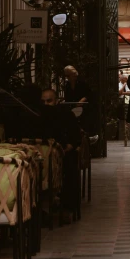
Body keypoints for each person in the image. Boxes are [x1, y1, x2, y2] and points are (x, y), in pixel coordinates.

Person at [40, 88, 82, 223]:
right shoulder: (37, 115)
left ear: (56, 101)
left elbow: (75, 137)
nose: (46, 104)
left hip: (62, 154)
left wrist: (66, 148)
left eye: (49, 100)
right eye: (43, 101)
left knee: (70, 165)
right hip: (42, 156)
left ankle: (67, 208)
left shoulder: (65, 114)